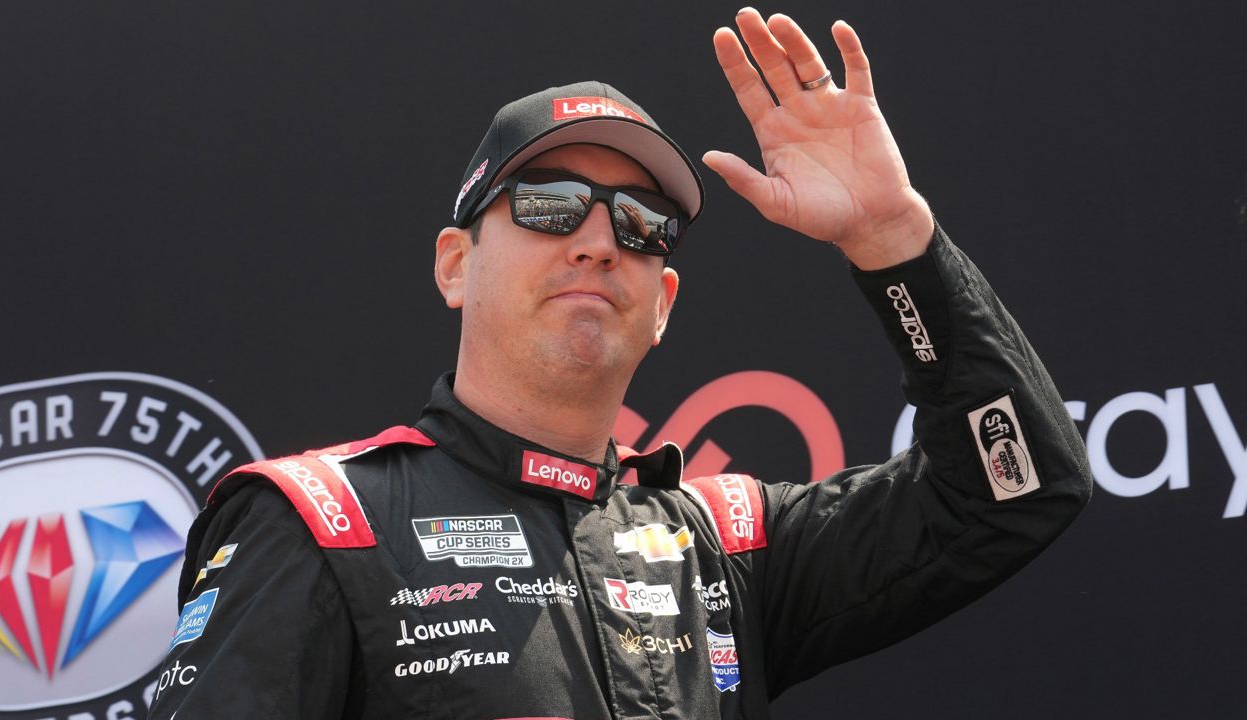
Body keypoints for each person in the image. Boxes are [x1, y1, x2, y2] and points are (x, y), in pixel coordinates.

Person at [146, 8, 1091, 719]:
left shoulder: (725, 551)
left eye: (642, 227)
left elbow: (1015, 490)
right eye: (551, 204)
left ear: (663, 308)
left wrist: (893, 240)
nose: (600, 241)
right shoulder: (324, 526)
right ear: (454, 265)